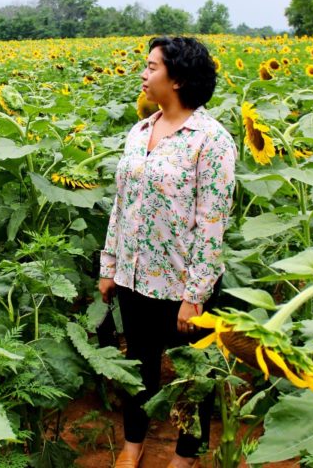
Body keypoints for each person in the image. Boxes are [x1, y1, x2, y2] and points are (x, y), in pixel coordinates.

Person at [99, 36, 236, 468]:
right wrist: (110, 266)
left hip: (182, 285)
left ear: (176, 79)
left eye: (151, 66)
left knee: (192, 378)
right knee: (138, 367)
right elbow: (121, 205)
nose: (143, 73)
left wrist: (195, 295)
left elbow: (213, 223)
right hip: (135, 277)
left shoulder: (211, 140)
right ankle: (133, 445)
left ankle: (185, 455)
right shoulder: (139, 131)